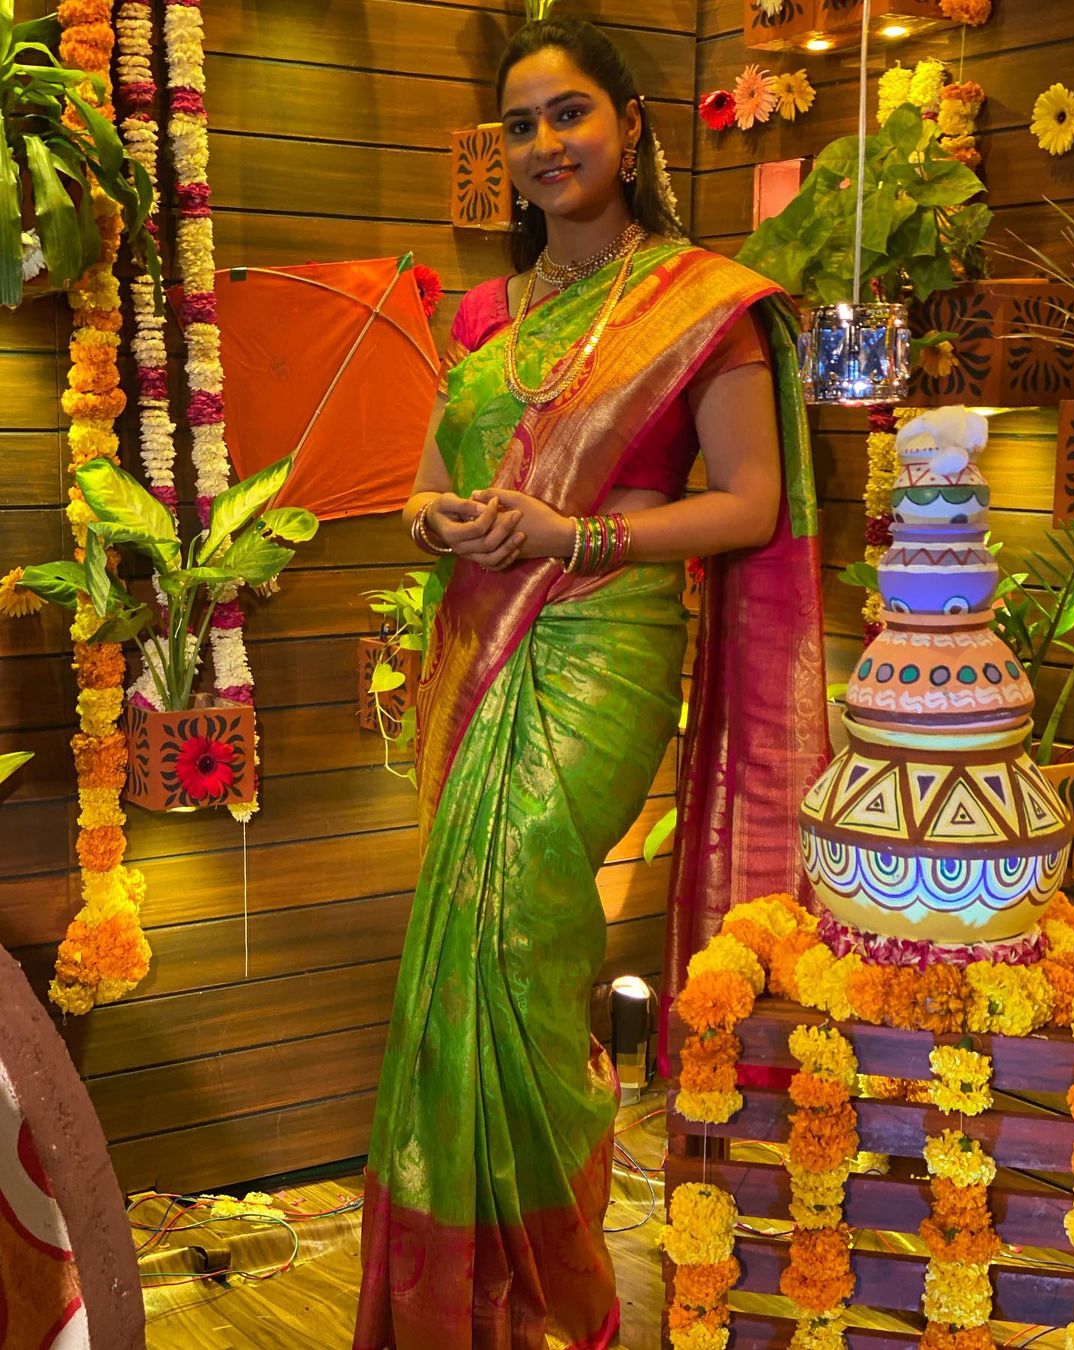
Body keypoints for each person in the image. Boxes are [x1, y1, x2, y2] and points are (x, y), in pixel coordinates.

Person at [354, 16, 828, 1350]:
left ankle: (559, 1297)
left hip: (604, 642)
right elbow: (427, 488)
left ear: (630, 129)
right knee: (465, 957)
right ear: (501, 158)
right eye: (521, 126)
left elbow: (751, 501)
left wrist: (583, 535)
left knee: (513, 937)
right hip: (483, 630)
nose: (547, 144)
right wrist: (430, 521)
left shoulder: (700, 301)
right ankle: (473, 1293)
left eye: (570, 114)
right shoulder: (488, 314)